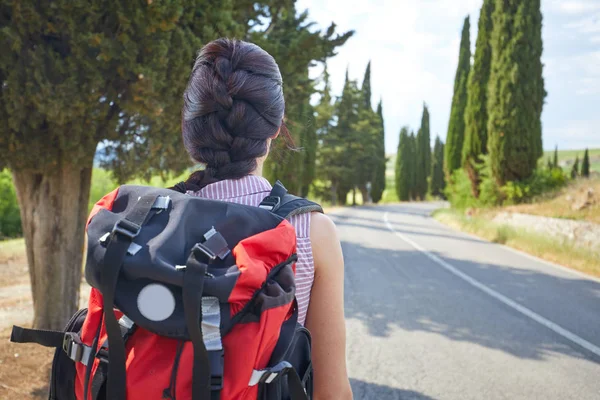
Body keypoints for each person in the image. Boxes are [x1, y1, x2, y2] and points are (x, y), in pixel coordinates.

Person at [174, 38, 353, 399]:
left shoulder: (151, 220)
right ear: (274, 129)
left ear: (193, 133)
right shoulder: (312, 231)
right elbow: (330, 390)